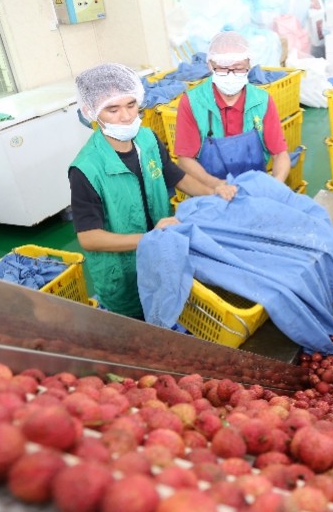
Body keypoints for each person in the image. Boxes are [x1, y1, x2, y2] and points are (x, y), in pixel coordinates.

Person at [70, 62, 235, 319]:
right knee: (137, 325)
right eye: (112, 109)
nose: (126, 117)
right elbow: (89, 237)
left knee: (169, 303)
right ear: (91, 112)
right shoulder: (86, 168)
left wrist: (215, 192)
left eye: (131, 105)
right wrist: (149, 238)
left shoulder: (147, 140)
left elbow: (176, 176)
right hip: (123, 272)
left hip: (164, 251)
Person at [173, 31, 290, 187]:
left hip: (253, 188)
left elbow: (280, 153)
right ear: (210, 65)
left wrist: (276, 185)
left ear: (249, 65)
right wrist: (217, 185)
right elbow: (185, 159)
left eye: (238, 68)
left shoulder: (262, 101)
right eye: (222, 69)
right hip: (209, 190)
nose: (230, 75)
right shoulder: (192, 102)